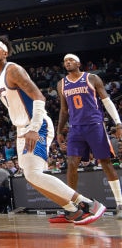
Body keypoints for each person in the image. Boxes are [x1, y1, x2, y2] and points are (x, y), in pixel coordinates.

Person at [0, 35, 105, 224]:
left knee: (33, 173)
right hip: (22, 129)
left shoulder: (13, 70)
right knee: (31, 177)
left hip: (36, 124)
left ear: (5, 52)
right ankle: (72, 211)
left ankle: (88, 205)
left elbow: (39, 97)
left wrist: (34, 127)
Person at [55, 52, 122, 217]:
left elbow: (107, 101)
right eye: (65, 61)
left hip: (94, 125)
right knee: (71, 164)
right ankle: (73, 206)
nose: (67, 63)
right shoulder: (61, 84)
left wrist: (118, 123)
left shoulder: (92, 78)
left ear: (78, 63)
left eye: (71, 60)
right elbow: (64, 110)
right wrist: (59, 130)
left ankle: (120, 203)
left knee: (106, 162)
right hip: (76, 128)